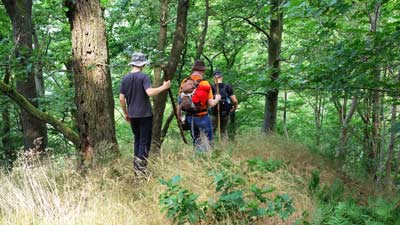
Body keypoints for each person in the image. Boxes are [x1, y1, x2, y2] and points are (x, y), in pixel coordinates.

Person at [119, 52, 171, 174]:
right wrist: (164, 87)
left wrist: (126, 113)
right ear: (142, 64)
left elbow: (121, 98)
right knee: (144, 141)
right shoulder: (143, 77)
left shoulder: (125, 78)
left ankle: (136, 168)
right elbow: (150, 93)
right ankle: (141, 170)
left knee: (137, 140)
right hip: (145, 115)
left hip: (132, 115)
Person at [178, 60, 221, 151]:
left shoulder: (185, 81)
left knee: (196, 139)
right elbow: (211, 104)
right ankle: (207, 159)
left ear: (193, 70)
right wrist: (217, 98)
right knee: (208, 140)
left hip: (189, 117)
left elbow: (180, 101)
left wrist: (179, 117)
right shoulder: (204, 83)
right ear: (202, 71)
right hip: (202, 116)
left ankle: (197, 159)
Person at [211, 70, 238, 142]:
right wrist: (234, 108)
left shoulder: (211, 87)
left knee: (212, 130)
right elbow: (235, 101)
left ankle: (210, 148)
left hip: (214, 113)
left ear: (214, 78)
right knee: (223, 131)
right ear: (222, 77)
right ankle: (225, 148)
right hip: (225, 113)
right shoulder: (228, 87)